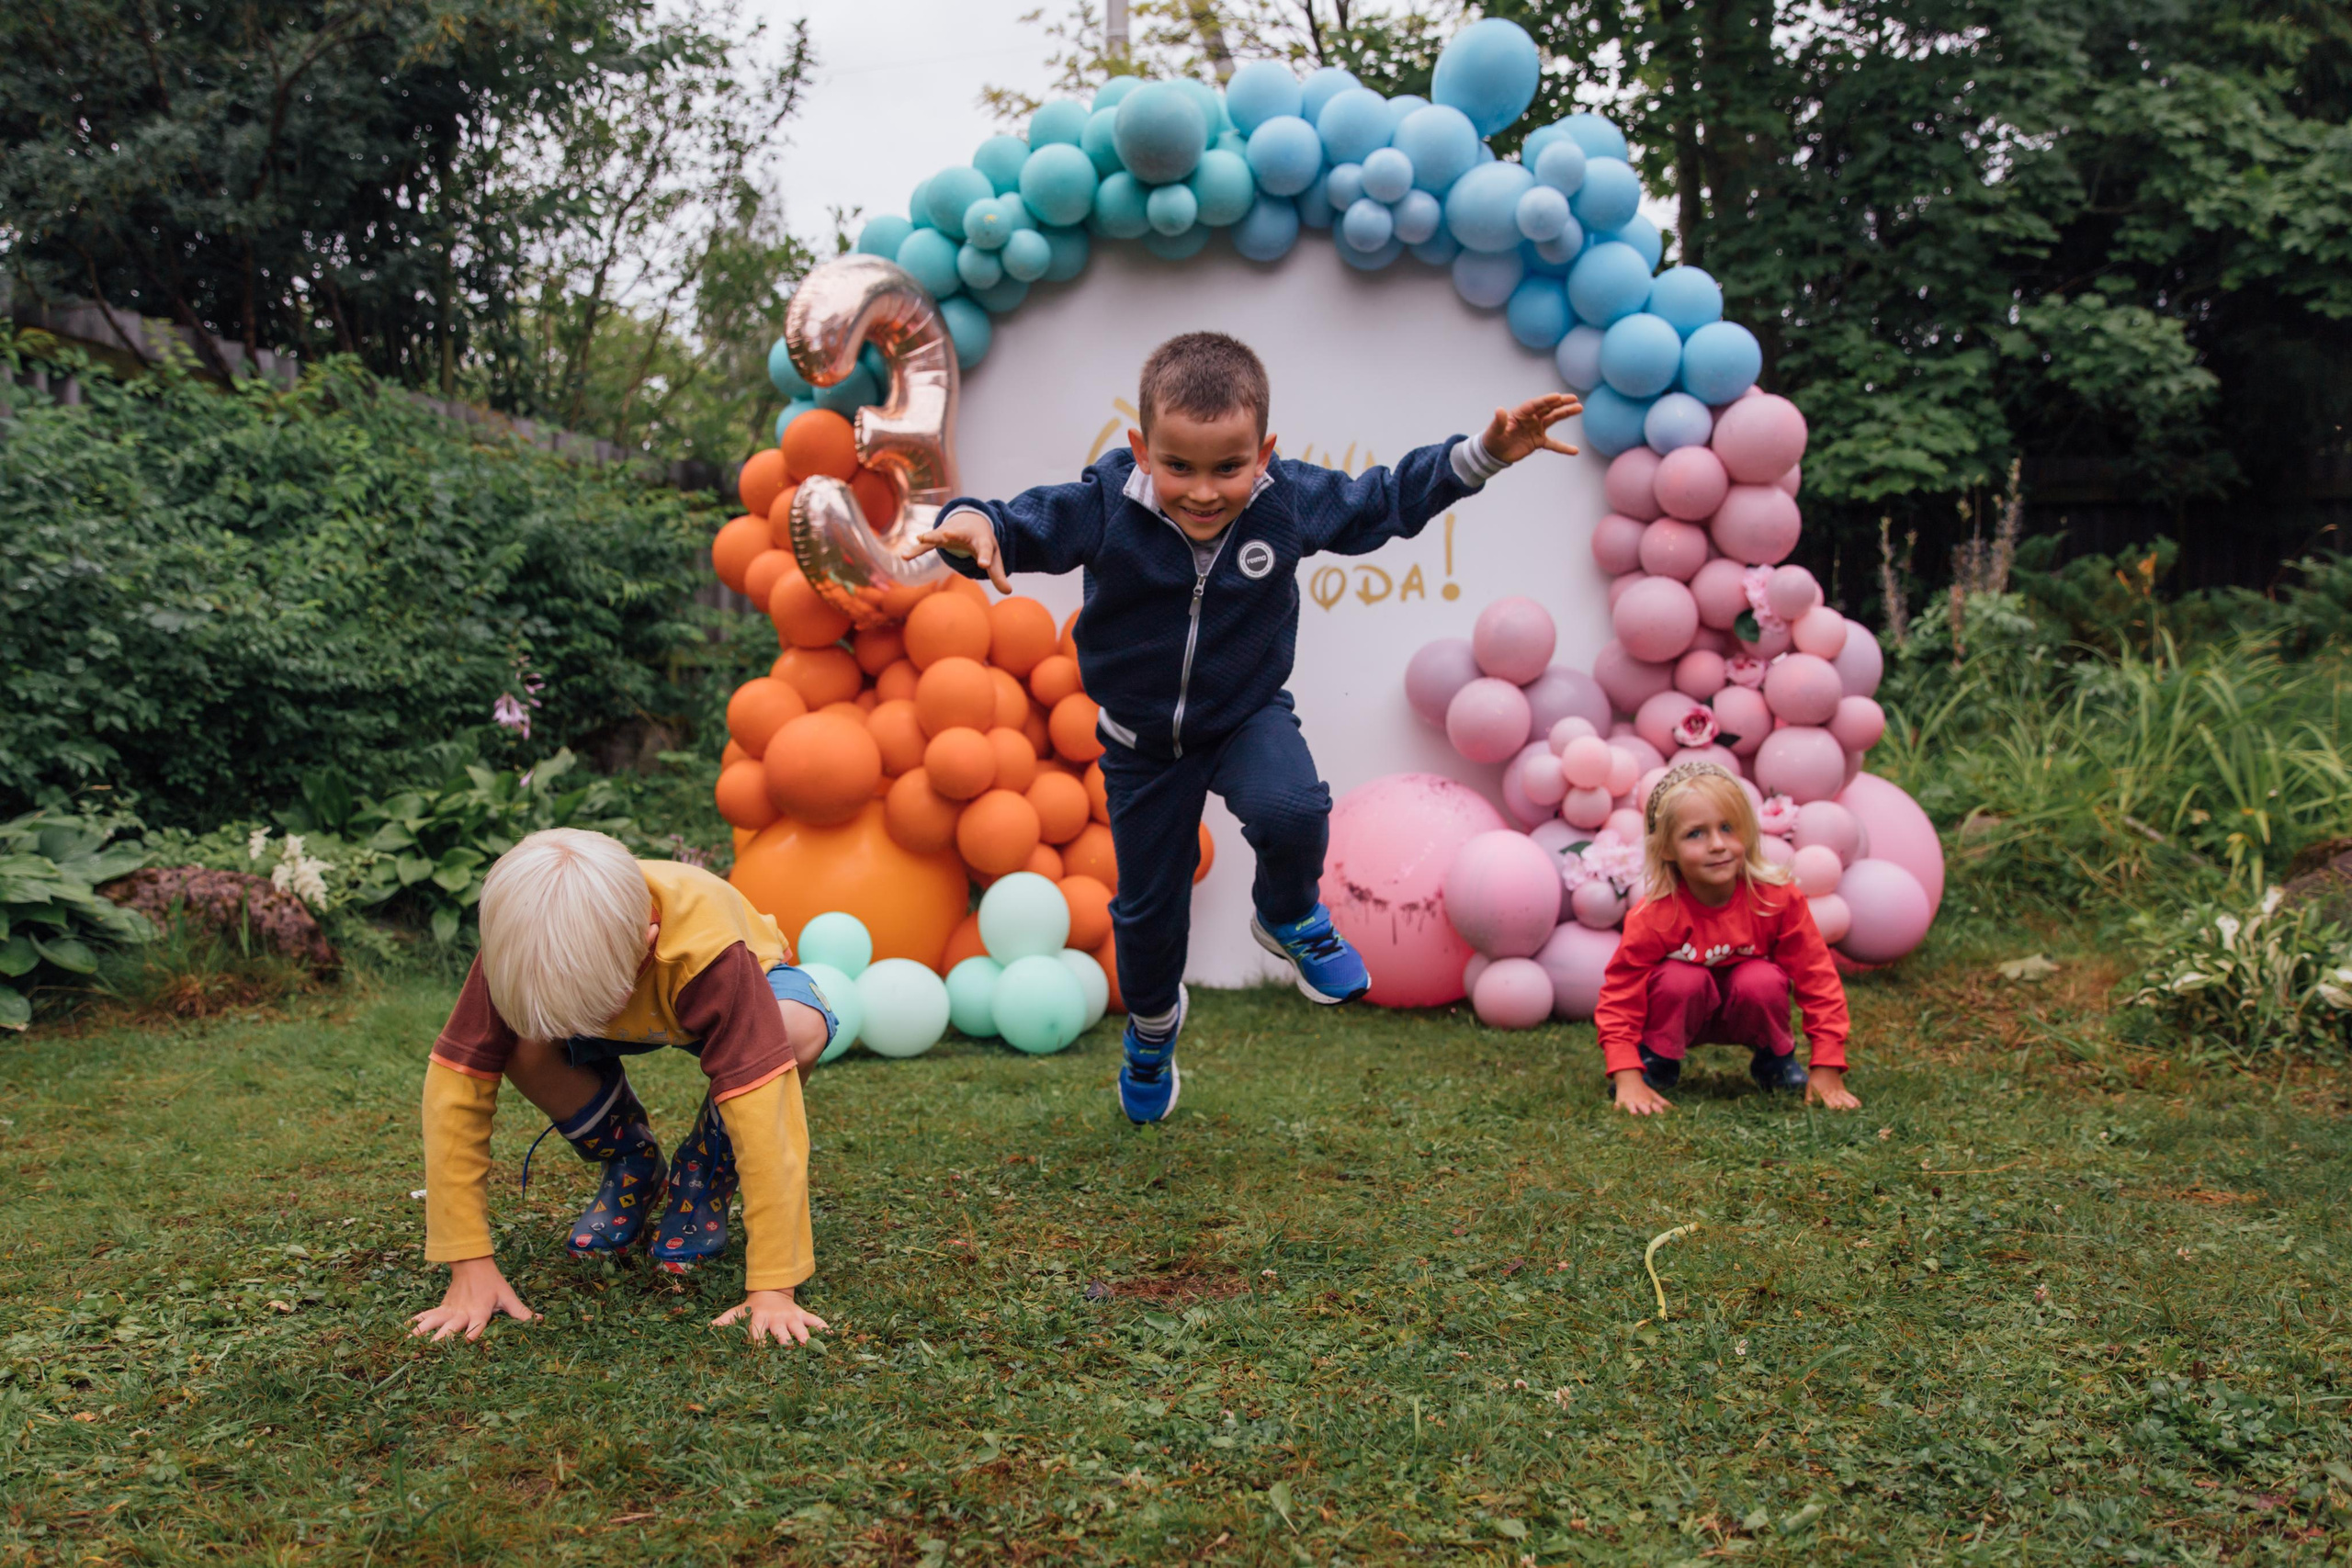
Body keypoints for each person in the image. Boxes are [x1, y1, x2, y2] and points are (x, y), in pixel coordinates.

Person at [905, 330, 1582, 1123]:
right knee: (1150, 917)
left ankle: (1289, 912)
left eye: (1228, 467)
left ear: (1263, 453)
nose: (1202, 491)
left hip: (1244, 715)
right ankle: (1154, 1031)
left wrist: (1486, 452)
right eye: (1178, 466)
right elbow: (1018, 522)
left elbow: (1385, 500)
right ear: (1141, 448)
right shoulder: (1106, 503)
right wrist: (972, 525)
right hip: (1140, 744)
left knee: (1293, 810)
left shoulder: (1285, 500)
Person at [409, 829, 839, 1346]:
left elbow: (767, 1117)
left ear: (649, 937)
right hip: (612, 1007)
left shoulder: (714, 954)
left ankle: (704, 1177)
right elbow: (456, 1089)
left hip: (725, 988)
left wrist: (774, 1289)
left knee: (797, 1028)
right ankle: (632, 1161)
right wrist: (468, 1263)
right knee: (519, 1042)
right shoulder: (521, 943)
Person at [1596, 761, 1860, 1115]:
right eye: (1695, 834)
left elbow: (1817, 977)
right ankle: (1658, 1059)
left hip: (1747, 1005)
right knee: (1679, 979)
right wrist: (1626, 1074)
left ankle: (1775, 1060)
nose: (1717, 845)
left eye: (1727, 828)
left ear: (1748, 832)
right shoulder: (1655, 915)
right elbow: (1620, 995)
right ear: (1665, 848)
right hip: (1680, 1008)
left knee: (1761, 978)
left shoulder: (1775, 899)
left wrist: (1827, 1064)